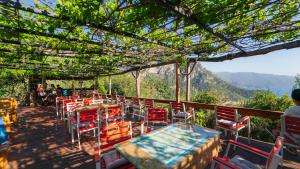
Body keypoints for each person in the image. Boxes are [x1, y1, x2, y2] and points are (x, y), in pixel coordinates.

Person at [282, 88, 300, 155]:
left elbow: (282, 123)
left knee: (280, 132)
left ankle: (293, 148)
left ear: (293, 100)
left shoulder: (289, 110)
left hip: (292, 138)